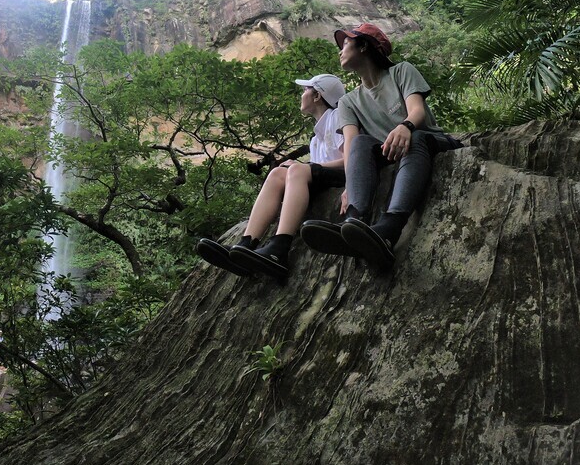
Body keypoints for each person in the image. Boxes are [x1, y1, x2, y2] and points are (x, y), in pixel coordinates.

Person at [301, 24, 462, 269]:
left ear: (364, 46)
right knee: (361, 142)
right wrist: (350, 185)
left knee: (416, 137)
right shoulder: (348, 102)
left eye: (346, 43)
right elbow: (351, 143)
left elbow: (417, 110)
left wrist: (405, 126)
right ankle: (354, 223)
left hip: (428, 140)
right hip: (389, 152)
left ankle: (389, 228)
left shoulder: (401, 71)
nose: (340, 51)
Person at [196, 73, 347, 280]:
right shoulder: (315, 137)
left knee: (296, 169)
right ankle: (246, 245)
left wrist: (306, 166)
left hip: (342, 176)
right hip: (323, 177)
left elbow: (349, 159)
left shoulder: (336, 116)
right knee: (277, 173)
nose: (302, 94)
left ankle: (279, 248)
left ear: (317, 96)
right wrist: (305, 168)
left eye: (306, 90)